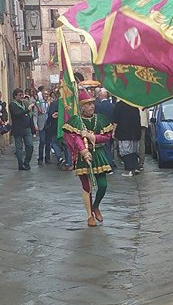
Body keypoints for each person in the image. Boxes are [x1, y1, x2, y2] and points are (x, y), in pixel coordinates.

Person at [63, 89, 114, 226]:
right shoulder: (76, 121)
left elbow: (107, 137)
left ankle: (96, 205)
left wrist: (93, 137)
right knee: (87, 187)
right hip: (82, 157)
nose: (92, 106)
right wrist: (84, 151)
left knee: (103, 185)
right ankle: (89, 215)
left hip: (98, 154)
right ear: (82, 107)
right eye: (88, 104)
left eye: (93, 104)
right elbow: (76, 138)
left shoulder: (100, 119)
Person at [112, 99, 142, 176]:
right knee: (134, 150)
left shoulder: (119, 105)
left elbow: (116, 119)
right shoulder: (133, 103)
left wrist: (114, 131)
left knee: (125, 151)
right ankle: (136, 167)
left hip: (124, 131)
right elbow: (138, 118)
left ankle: (130, 170)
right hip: (135, 131)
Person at [9, 88, 35, 171]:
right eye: (20, 95)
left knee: (30, 146)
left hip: (27, 128)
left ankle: (27, 162)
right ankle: (20, 164)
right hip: (18, 129)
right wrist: (28, 110)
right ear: (15, 96)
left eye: (22, 94)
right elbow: (17, 114)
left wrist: (33, 128)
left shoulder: (25, 103)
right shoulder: (12, 105)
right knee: (19, 147)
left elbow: (30, 116)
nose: (22, 96)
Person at [35, 89, 51, 165]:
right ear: (42, 95)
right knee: (42, 141)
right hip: (41, 124)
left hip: (48, 124)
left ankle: (47, 158)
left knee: (48, 142)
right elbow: (35, 115)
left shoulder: (49, 103)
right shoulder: (38, 103)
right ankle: (40, 158)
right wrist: (35, 125)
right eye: (45, 94)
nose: (46, 96)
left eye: (47, 94)